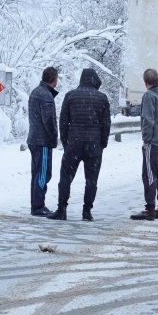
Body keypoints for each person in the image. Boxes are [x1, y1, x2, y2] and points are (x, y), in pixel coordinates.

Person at [47, 68, 111, 221]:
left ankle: (62, 209)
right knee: (91, 180)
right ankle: (87, 211)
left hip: (74, 144)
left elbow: (63, 121)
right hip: (94, 146)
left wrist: (66, 141)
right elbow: (106, 124)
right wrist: (102, 143)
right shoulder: (102, 98)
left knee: (66, 178)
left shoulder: (70, 96)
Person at [131, 69, 158, 221]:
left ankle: (150, 209)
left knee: (149, 174)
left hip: (154, 142)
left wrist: (146, 139)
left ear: (145, 82)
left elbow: (147, 120)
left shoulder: (149, 96)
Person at [27, 67, 60, 216]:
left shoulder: (36, 92)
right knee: (43, 174)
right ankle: (38, 206)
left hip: (34, 139)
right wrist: (54, 138)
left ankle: (36, 204)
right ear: (54, 79)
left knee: (36, 173)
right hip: (42, 141)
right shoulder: (46, 96)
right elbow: (49, 121)